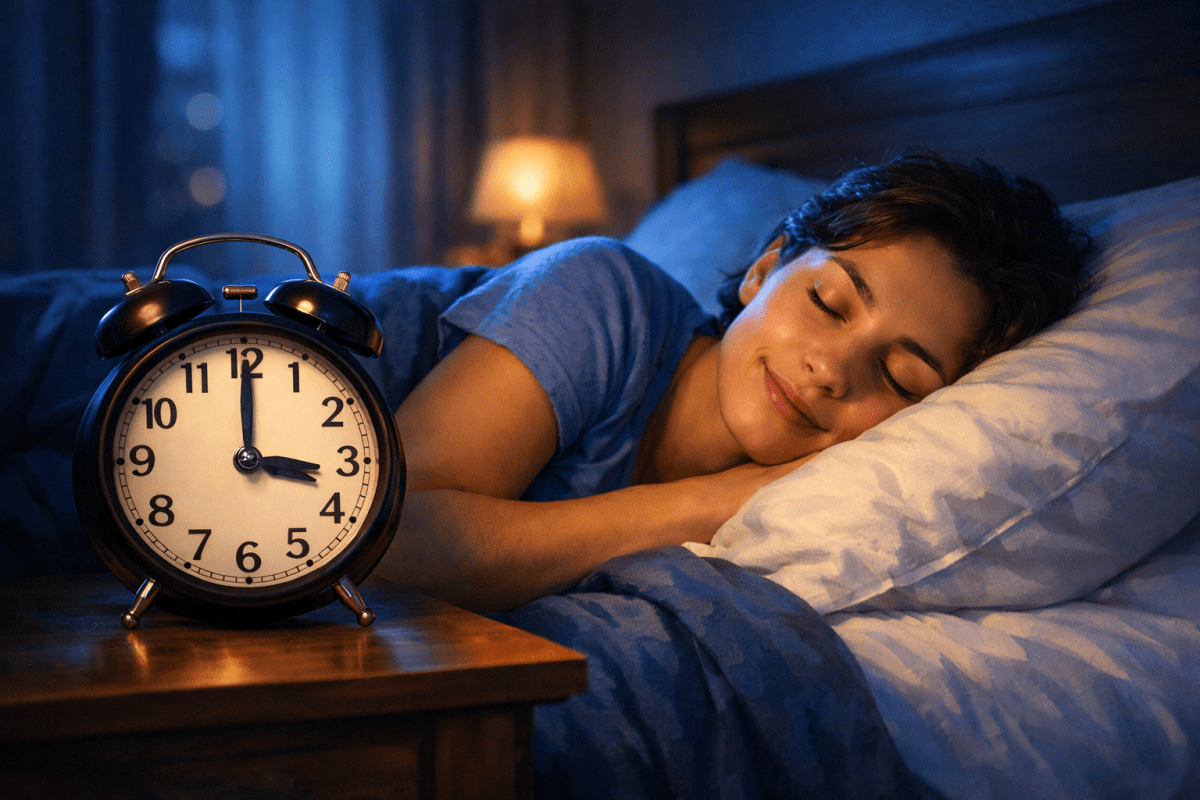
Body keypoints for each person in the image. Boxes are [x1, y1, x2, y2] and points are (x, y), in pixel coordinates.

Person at [373, 148, 1091, 612]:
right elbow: (383, 536)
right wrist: (708, 501)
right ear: (763, 268)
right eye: (827, 302)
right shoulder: (601, 290)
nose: (830, 369)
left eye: (900, 377)